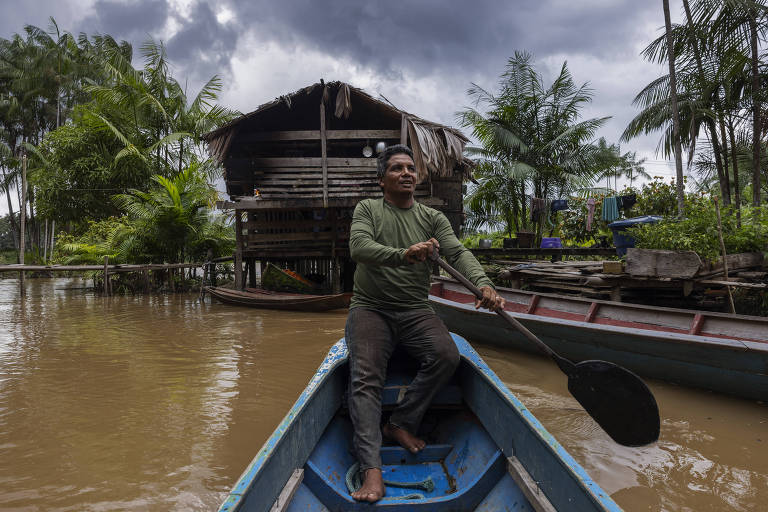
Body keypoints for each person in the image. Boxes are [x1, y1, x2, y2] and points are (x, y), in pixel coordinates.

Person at [346, 144, 505, 502]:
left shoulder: (432, 218)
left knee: (447, 356)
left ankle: (400, 422)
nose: (406, 173)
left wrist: (484, 284)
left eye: (410, 169)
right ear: (381, 179)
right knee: (365, 381)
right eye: (397, 168)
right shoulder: (368, 209)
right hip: (371, 308)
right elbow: (359, 248)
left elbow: (458, 252)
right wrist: (404, 255)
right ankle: (372, 472)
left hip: (415, 309)